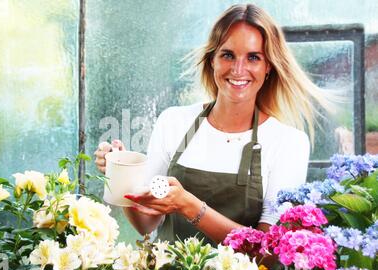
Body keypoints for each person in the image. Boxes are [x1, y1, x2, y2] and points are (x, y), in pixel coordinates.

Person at [94, 4, 334, 244]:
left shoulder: (288, 142)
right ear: (212, 61)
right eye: (228, 55)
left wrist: (190, 206)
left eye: (253, 57)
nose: (239, 69)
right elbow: (146, 224)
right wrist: (121, 173)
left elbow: (268, 252)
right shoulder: (173, 122)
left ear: (268, 66)